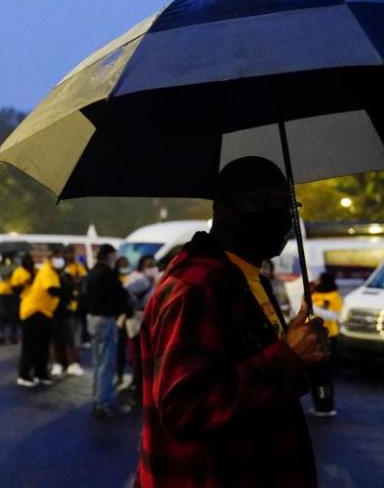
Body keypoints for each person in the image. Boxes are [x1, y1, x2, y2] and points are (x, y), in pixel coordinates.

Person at [136, 156, 330, 487]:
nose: (278, 215)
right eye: (260, 203)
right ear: (223, 211)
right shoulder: (195, 287)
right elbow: (185, 409)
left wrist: (303, 356)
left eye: (286, 205)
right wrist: (287, 358)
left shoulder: (250, 280)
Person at [86, 244, 131, 418]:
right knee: (106, 363)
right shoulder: (108, 274)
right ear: (110, 256)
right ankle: (102, 404)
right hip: (105, 319)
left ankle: (97, 399)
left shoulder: (92, 272)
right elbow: (118, 295)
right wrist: (126, 308)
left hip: (92, 318)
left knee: (98, 362)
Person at [11, 251, 61, 387]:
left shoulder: (50, 272)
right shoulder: (45, 271)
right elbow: (52, 290)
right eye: (58, 257)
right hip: (33, 311)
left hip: (44, 312)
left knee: (42, 346)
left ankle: (41, 373)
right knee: (30, 345)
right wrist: (68, 292)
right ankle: (24, 374)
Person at [123, 254, 158, 399]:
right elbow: (126, 293)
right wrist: (136, 306)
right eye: (149, 265)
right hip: (137, 321)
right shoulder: (140, 280)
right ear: (142, 267)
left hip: (147, 320)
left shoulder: (153, 280)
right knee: (138, 355)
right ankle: (138, 387)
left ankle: (141, 385)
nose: (153, 268)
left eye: (154, 265)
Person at [309, 270, 342, 417]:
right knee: (316, 374)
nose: (316, 281)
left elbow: (334, 315)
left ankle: (325, 405)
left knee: (324, 375)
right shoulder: (314, 294)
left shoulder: (334, 296)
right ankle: (318, 403)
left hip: (327, 338)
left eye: (319, 279)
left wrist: (314, 308)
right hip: (313, 337)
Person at [50, 246, 84, 376]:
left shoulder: (68, 273)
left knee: (70, 337)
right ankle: (57, 363)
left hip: (67, 309)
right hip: (54, 309)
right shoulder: (52, 273)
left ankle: (72, 363)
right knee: (56, 338)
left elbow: (77, 285)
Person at [114, 256, 132, 387]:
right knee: (119, 349)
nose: (125, 266)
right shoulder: (114, 279)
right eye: (122, 264)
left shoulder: (132, 277)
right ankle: (119, 374)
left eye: (126, 264)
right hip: (119, 319)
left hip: (131, 318)